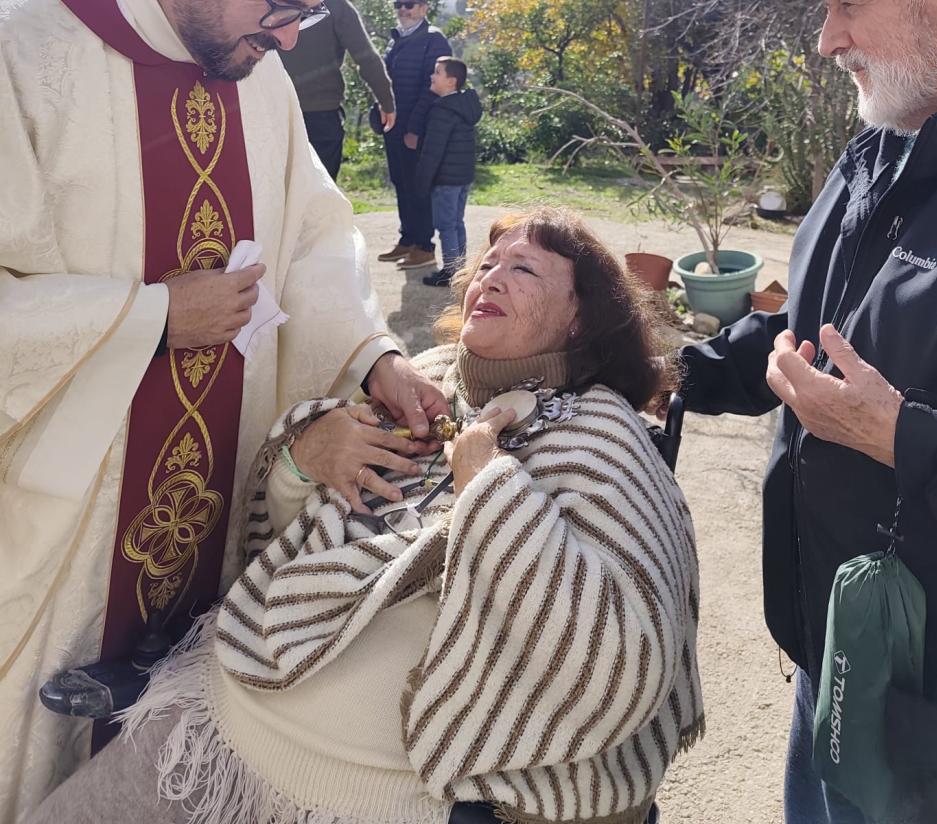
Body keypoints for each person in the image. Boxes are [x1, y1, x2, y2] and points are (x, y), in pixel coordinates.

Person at [0, 0, 448, 824]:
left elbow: (314, 236)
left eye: (306, 16)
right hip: (63, 524)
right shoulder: (25, 51)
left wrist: (372, 356)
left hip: (220, 498)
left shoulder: (253, 71)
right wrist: (154, 314)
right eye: (280, 6)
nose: (288, 36)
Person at [28, 206, 703, 824]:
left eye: (523, 269)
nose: (490, 279)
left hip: (350, 798)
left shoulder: (601, 434)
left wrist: (488, 486)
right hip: (208, 724)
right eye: (487, 265)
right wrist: (305, 457)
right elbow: (275, 542)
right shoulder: (429, 379)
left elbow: (621, 665)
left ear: (582, 316)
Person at [677, 0, 937, 823]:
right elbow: (823, 325)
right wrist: (673, 370)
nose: (826, 39)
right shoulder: (886, 131)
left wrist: (910, 441)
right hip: (838, 656)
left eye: (846, 3)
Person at [280, 0, 396, 180]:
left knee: (279, 190)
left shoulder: (277, 1)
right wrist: (386, 102)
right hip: (321, 114)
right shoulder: (336, 6)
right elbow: (367, 59)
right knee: (320, 193)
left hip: (276, 112)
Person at [377, 0, 450, 271]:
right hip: (393, 126)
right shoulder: (396, 39)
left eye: (410, 5)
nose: (404, 10)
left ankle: (424, 246)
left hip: (416, 129)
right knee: (401, 182)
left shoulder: (434, 40)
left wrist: (415, 128)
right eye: (399, 5)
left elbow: (432, 90)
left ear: (424, 8)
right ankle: (407, 240)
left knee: (419, 186)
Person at [415, 56, 482, 288]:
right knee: (456, 222)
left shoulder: (443, 110)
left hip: (446, 179)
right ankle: (460, 270)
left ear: (451, 81)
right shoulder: (464, 108)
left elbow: (432, 152)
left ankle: (451, 272)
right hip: (462, 177)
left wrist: (422, 182)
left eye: (437, 72)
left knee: (446, 225)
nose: (432, 76)